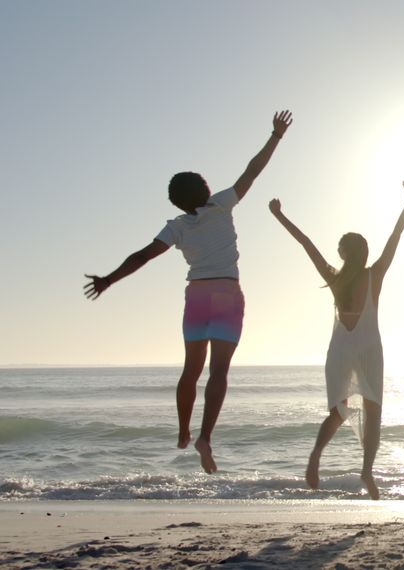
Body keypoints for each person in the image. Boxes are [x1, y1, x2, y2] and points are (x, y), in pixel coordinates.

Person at [83, 111, 293, 474]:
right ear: (204, 190)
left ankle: (183, 431)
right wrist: (275, 137)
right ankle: (205, 438)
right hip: (226, 292)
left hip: (196, 296)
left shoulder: (177, 226)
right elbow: (252, 171)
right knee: (219, 372)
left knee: (190, 371)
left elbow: (143, 256)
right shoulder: (222, 204)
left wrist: (108, 280)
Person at [268, 181, 404, 499]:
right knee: (374, 412)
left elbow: (305, 243)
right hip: (368, 348)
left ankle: (315, 455)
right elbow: (395, 236)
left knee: (338, 410)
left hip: (340, 349)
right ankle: (367, 471)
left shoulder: (334, 278)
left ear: (343, 253)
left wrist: (279, 215)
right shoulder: (374, 274)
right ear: (364, 253)